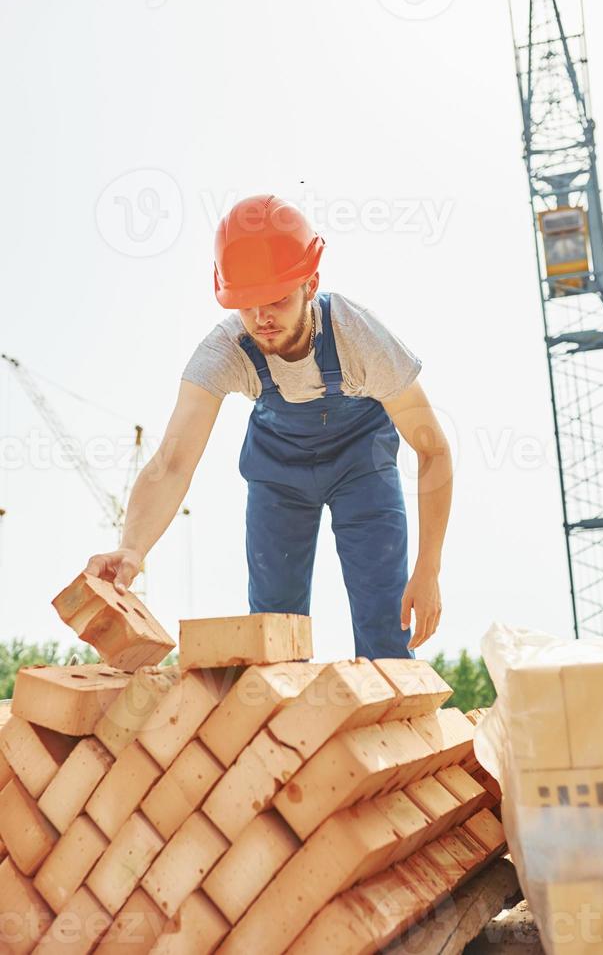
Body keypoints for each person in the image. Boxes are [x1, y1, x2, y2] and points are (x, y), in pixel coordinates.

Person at [85, 194, 453, 658]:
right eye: (246, 303)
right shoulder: (225, 352)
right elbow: (173, 462)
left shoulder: (361, 338)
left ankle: (392, 725)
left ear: (310, 283)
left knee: (385, 621)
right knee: (274, 631)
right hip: (279, 472)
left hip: (362, 466)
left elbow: (433, 450)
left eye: (277, 299)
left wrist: (429, 568)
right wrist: (133, 548)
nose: (262, 318)